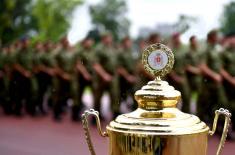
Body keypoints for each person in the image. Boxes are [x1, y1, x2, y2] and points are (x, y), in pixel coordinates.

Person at [198, 30, 227, 124]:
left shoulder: (217, 49)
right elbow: (202, 67)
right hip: (208, 84)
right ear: (211, 37)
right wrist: (214, 75)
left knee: (221, 103)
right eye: (216, 36)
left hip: (217, 83)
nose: (218, 37)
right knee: (206, 106)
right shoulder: (206, 49)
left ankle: (220, 126)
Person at [93, 33, 119, 119]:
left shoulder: (112, 48)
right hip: (101, 77)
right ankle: (95, 117)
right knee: (98, 97)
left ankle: (115, 114)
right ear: (103, 39)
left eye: (110, 38)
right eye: (108, 38)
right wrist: (104, 75)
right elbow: (96, 64)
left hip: (112, 75)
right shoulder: (99, 49)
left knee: (114, 95)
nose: (110, 39)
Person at [53, 37, 79, 121]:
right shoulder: (57, 52)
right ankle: (56, 114)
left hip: (71, 76)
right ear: (61, 42)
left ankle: (75, 115)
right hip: (60, 76)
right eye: (65, 41)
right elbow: (55, 66)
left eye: (67, 40)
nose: (67, 42)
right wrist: (63, 74)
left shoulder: (71, 51)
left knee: (74, 93)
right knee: (59, 95)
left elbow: (76, 62)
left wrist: (74, 72)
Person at [169, 33, 190, 113]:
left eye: (178, 37)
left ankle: (185, 115)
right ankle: (173, 115)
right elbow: (168, 66)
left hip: (183, 76)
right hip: (173, 78)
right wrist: (174, 77)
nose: (177, 39)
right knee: (173, 99)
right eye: (175, 37)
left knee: (186, 97)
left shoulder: (185, 48)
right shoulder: (170, 50)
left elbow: (188, 61)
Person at [74, 37, 94, 121]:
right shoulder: (80, 51)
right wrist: (85, 74)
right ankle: (75, 115)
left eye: (91, 41)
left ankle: (95, 116)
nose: (90, 43)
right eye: (88, 41)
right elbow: (78, 64)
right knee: (78, 95)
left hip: (91, 76)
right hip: (81, 77)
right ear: (85, 42)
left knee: (95, 95)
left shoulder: (93, 51)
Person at [117, 37, 137, 110]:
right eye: (127, 42)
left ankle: (134, 109)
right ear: (123, 43)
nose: (129, 44)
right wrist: (127, 76)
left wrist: (134, 76)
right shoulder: (120, 52)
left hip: (132, 75)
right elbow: (119, 67)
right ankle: (117, 112)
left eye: (130, 42)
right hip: (123, 77)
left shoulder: (132, 52)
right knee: (121, 95)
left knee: (134, 93)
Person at [185, 36, 202, 113]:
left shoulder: (199, 52)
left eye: (196, 41)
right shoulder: (188, 53)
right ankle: (188, 113)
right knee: (188, 97)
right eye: (194, 41)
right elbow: (186, 66)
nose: (195, 42)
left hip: (200, 79)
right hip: (191, 79)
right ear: (191, 42)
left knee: (201, 97)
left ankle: (199, 113)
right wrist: (197, 71)